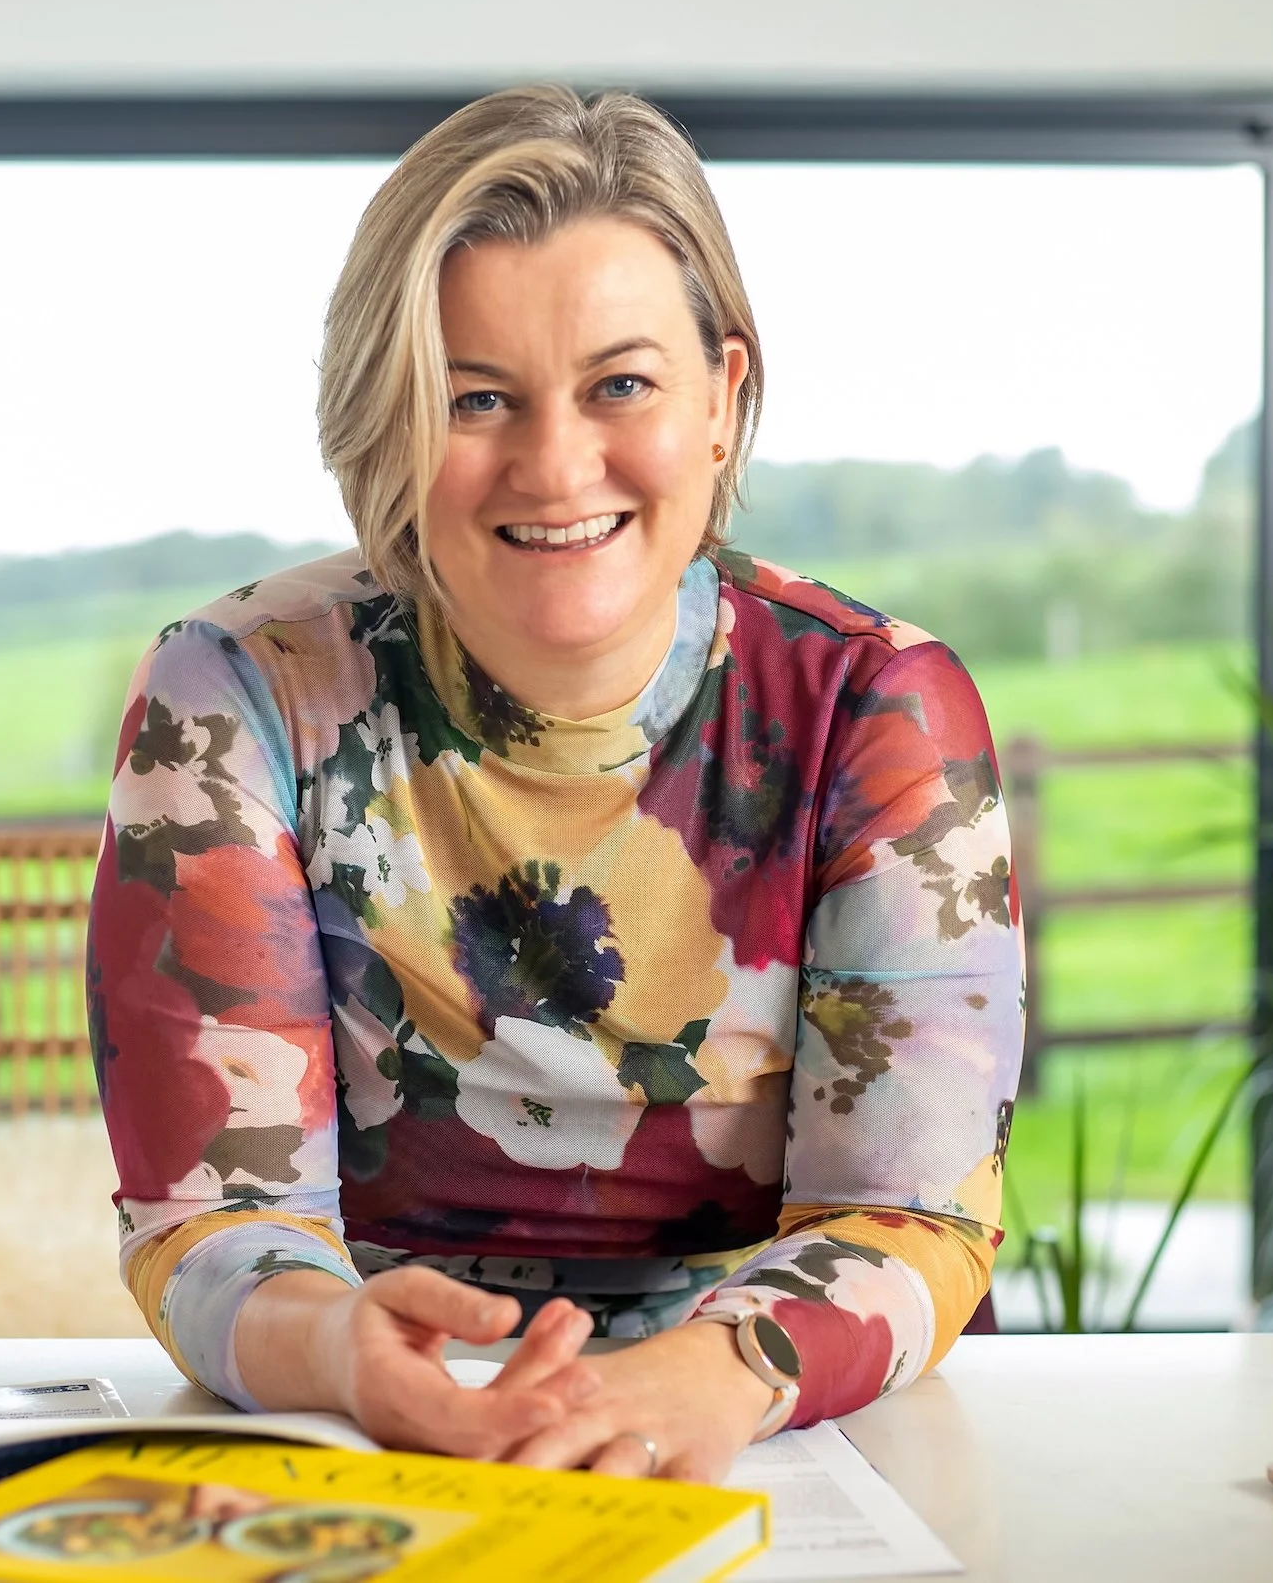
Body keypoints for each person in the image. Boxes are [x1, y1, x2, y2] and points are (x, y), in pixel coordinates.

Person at [88, 85, 1025, 1485]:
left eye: (621, 384)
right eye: (475, 398)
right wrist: (342, 1347)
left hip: (778, 1409)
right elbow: (209, 1215)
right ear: (387, 424)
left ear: (723, 396)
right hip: (364, 1407)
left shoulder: (874, 704)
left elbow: (911, 1210)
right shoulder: (237, 693)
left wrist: (697, 1379)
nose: (554, 463)